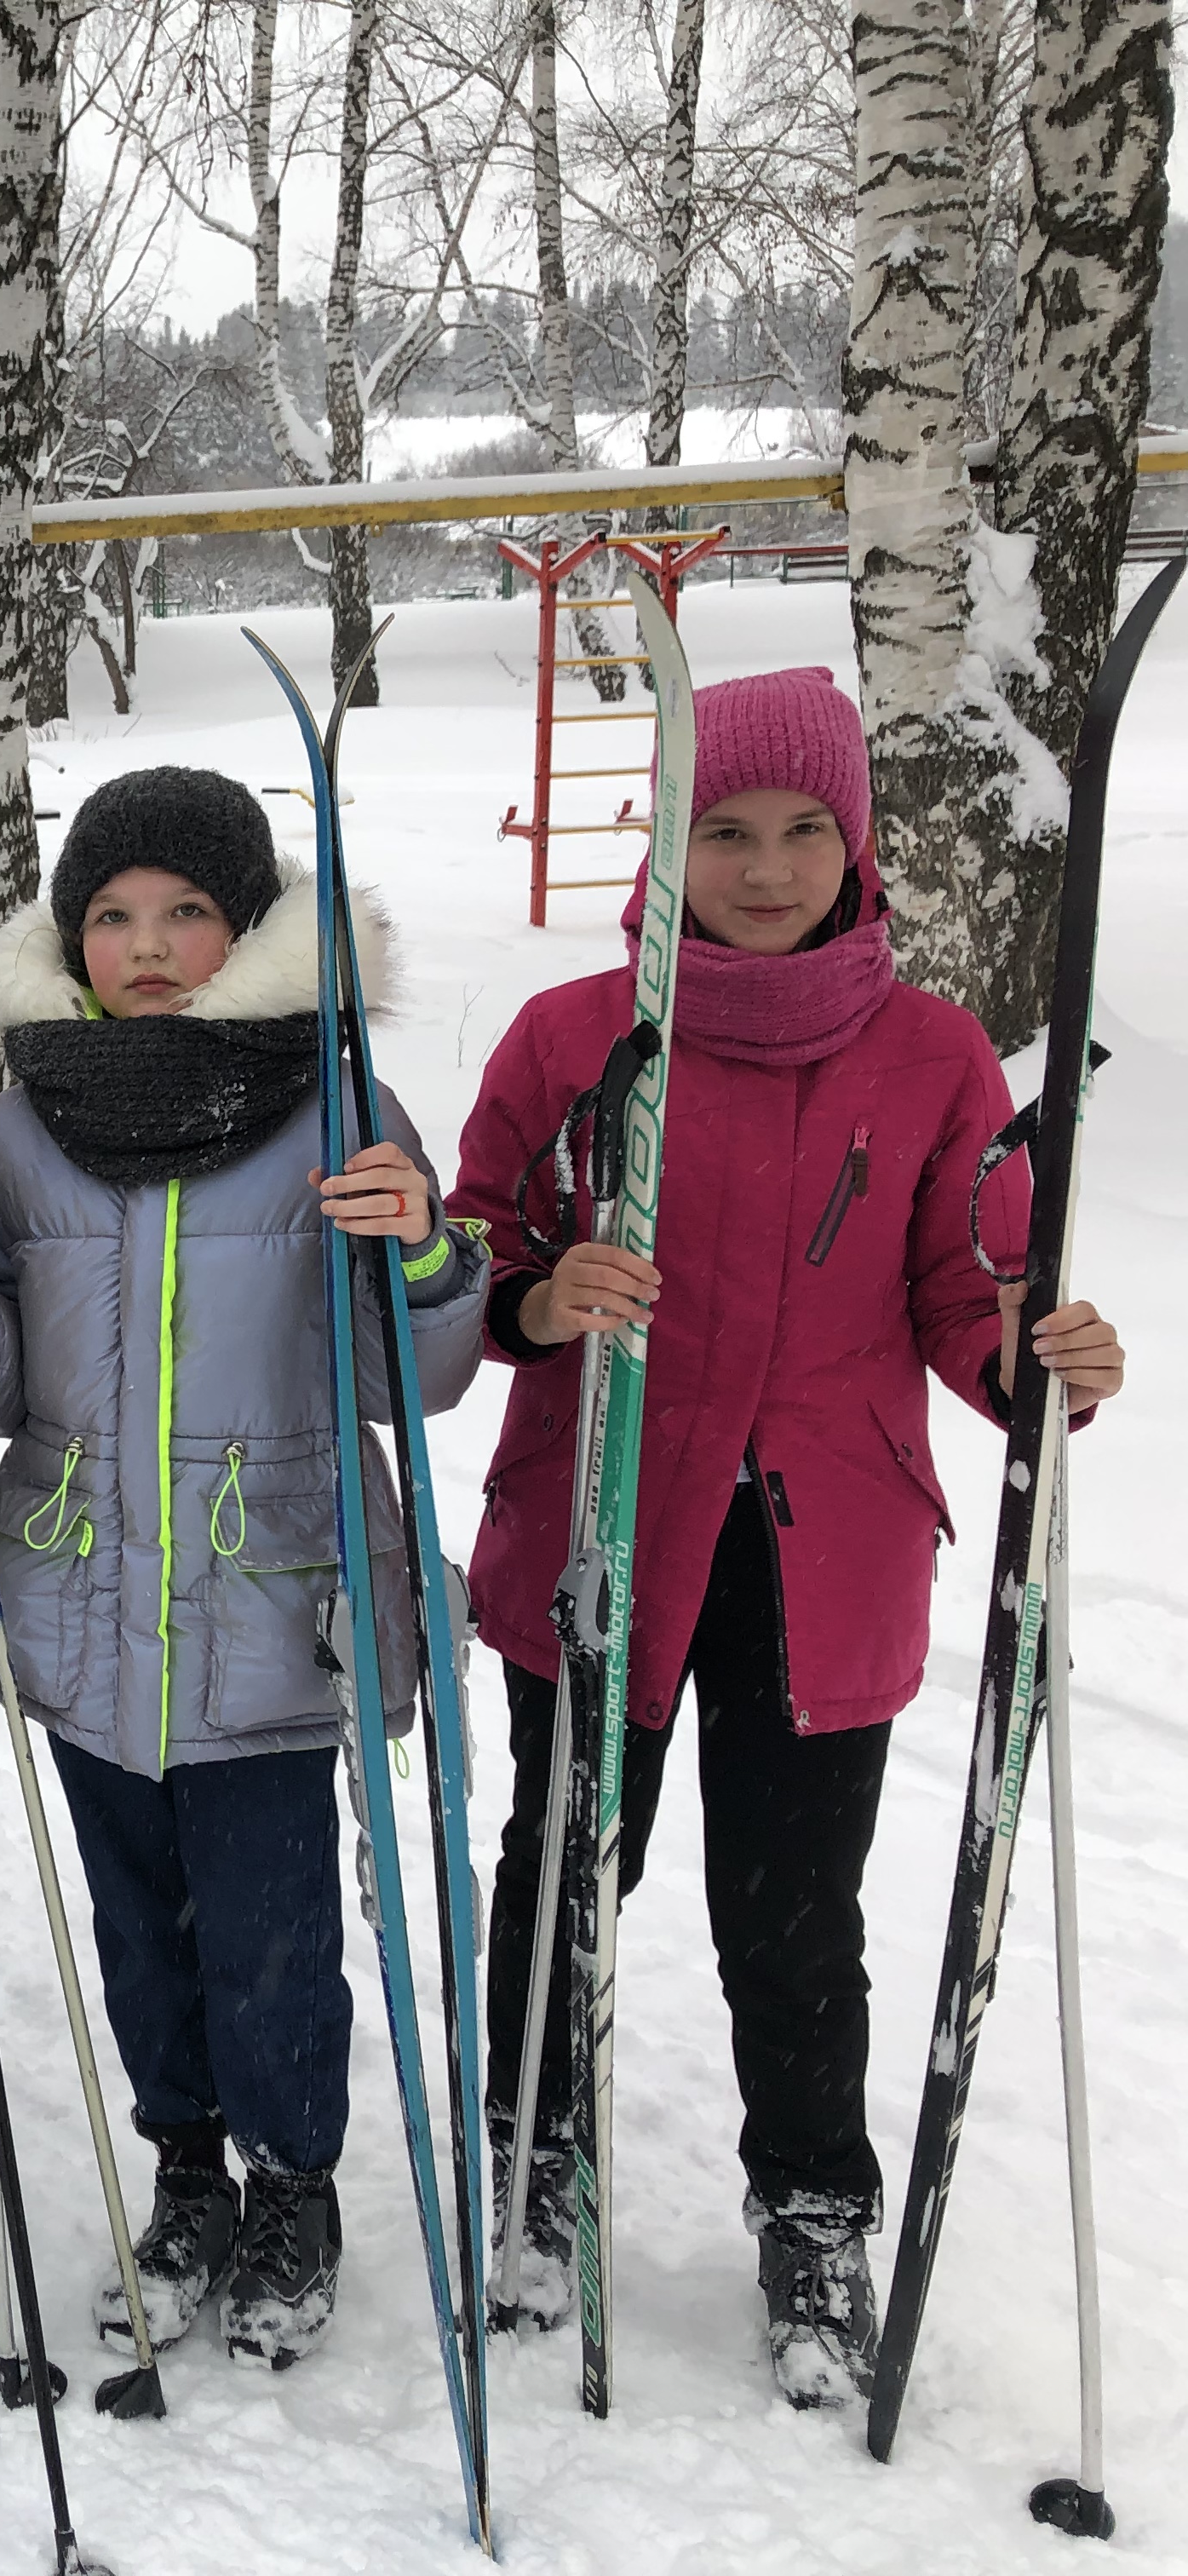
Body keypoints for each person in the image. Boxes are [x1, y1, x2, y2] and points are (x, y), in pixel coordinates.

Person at [451, 668, 1128, 2408]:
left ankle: (815, 2203)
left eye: (802, 829)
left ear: (858, 843)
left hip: (816, 1549)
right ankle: (535, 2152)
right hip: (606, 1519)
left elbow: (964, 1282)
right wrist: (538, 1297)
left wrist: (1028, 1356)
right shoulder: (576, 1034)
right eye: (724, 830)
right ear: (670, 844)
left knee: (795, 1904)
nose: (764, 865)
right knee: (566, 1859)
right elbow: (470, 1251)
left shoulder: (930, 1049)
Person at [0, 766, 485, 2368]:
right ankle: (183, 2167)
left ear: (244, 928)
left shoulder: (340, 1105)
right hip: (85, 1607)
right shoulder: (16, 1126)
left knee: (274, 1928)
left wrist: (422, 1257)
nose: (148, 945)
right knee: (140, 1925)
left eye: (184, 912)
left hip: (271, 1604)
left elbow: (414, 1379)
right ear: (70, 935)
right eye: (112, 915)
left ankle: (293, 2177)